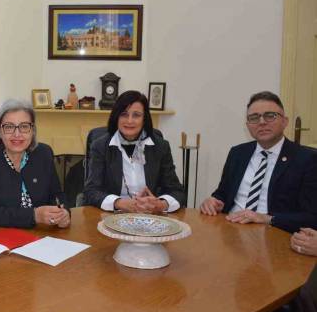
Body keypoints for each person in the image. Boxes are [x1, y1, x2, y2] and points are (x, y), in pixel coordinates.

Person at [200, 91, 317, 233]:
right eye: (254, 118)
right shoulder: (237, 153)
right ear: (248, 125)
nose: (261, 122)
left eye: (270, 116)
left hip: (273, 233)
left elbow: (311, 217)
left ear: (285, 121)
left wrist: (266, 218)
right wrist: (213, 201)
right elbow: (222, 194)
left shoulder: (306, 159)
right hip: (231, 230)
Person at [0, 98, 69, 230]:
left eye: (24, 126)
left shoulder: (43, 153)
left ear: (32, 130)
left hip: (40, 234)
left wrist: (63, 213)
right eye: (9, 127)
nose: (17, 134)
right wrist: (33, 215)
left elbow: (57, 195)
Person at [83, 90, 185, 213]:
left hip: (149, 217)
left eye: (136, 115)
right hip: (113, 215)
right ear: (116, 117)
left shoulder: (160, 147)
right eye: (124, 114)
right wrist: (119, 203)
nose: (129, 121)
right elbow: (91, 191)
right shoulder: (100, 147)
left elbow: (177, 191)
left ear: (144, 118)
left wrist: (160, 205)